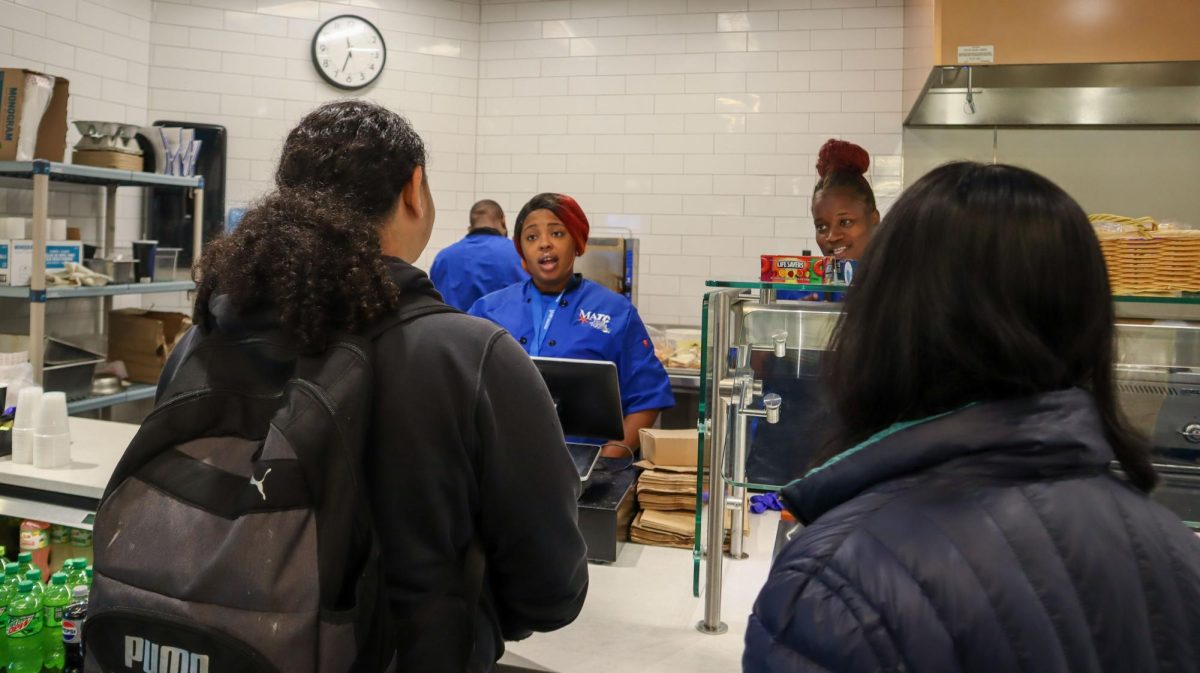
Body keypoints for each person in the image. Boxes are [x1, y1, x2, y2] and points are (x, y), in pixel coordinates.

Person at [173, 101, 588, 672]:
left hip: (221, 650)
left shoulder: (202, 340)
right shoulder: (471, 356)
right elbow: (552, 585)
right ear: (414, 190)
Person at [744, 161, 1200, 673]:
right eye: (823, 226)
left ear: (885, 319)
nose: (832, 236)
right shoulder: (1176, 549)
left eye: (845, 223)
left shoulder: (833, 585)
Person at [469, 193, 674, 458]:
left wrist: (603, 464)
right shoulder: (487, 310)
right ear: (522, 255)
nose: (544, 244)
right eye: (532, 237)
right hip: (499, 466)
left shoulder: (615, 313)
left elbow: (647, 398)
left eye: (557, 233)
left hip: (585, 474)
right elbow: (462, 389)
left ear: (577, 244)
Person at [430, 199, 527, 311]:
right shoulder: (518, 253)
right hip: (507, 328)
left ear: (471, 227)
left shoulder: (443, 258)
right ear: (503, 221)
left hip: (452, 327)